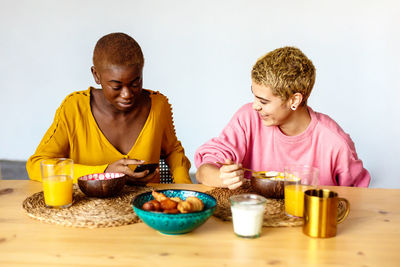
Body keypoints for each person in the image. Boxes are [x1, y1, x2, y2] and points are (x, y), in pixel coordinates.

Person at [195, 46, 370, 189]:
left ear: (294, 100)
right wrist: (221, 177)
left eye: (263, 101)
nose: (255, 106)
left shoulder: (335, 143)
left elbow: (356, 198)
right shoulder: (248, 118)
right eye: (254, 96)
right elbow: (203, 169)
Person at [27, 32, 191, 184]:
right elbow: (37, 165)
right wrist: (103, 172)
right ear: (96, 75)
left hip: (147, 210)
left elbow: (173, 151)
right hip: (87, 211)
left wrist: (185, 186)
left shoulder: (158, 106)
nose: (127, 94)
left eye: (135, 83)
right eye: (116, 86)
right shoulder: (74, 108)